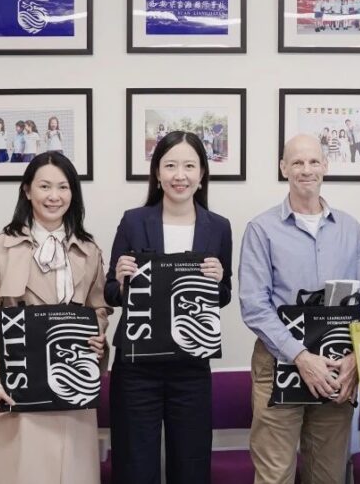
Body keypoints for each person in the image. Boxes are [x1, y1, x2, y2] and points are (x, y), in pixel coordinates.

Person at [239, 134, 360, 484]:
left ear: (325, 166)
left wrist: (358, 357)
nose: (306, 169)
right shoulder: (261, 229)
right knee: (275, 476)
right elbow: (254, 305)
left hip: (337, 367)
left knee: (328, 475)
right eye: (297, 162)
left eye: (314, 161)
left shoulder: (350, 229)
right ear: (283, 167)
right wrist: (301, 357)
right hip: (279, 363)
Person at [0, 151, 109, 484]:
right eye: (45, 186)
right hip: (16, 386)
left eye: (63, 187)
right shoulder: (2, 247)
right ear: (27, 190)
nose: (54, 196)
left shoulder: (89, 250)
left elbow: (99, 308)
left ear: (73, 193)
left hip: (70, 384)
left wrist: (97, 334)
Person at [105, 131, 233, 484]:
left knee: (191, 466)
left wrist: (217, 280)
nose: (180, 175)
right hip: (136, 367)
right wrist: (121, 280)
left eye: (189, 166)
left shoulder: (218, 227)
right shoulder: (133, 221)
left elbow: (223, 295)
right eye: (171, 165)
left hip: (191, 365)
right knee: (134, 466)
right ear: (157, 173)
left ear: (202, 173)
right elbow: (111, 292)